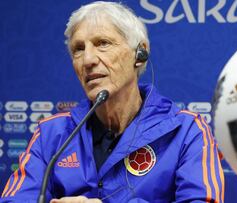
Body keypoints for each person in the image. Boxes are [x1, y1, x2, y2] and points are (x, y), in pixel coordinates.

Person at [0, 1, 224, 202]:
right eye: (78, 49)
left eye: (103, 43)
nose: (88, 60)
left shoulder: (187, 131)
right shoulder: (51, 134)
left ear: (140, 53)